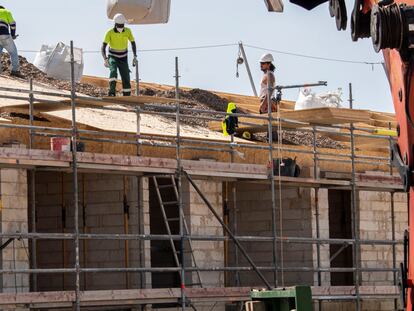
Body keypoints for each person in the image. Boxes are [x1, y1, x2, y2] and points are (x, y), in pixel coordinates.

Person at [101, 13, 138, 96]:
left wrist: (135, 56)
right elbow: (103, 47)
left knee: (126, 75)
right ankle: (111, 92)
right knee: (113, 72)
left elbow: (133, 43)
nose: (121, 27)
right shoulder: (109, 33)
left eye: (122, 25)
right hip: (113, 57)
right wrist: (105, 59)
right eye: (119, 25)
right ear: (115, 24)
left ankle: (126, 94)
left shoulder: (128, 31)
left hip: (123, 57)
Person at [0, 6, 21, 77]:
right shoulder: (6, 12)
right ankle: (15, 71)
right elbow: (12, 24)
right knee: (13, 52)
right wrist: (12, 35)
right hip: (4, 35)